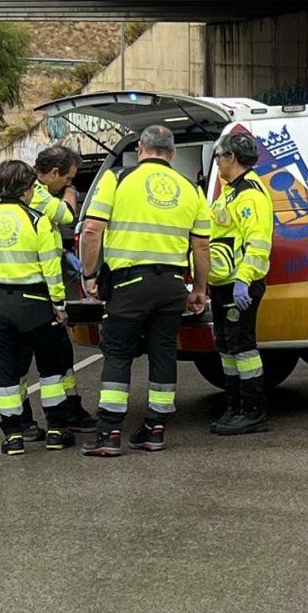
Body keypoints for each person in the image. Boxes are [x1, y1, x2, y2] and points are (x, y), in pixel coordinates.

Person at [78, 125, 211, 456]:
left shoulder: (118, 180)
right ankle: (154, 430)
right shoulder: (191, 189)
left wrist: (90, 274)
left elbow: (92, 230)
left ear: (140, 148)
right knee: (163, 352)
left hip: (130, 284)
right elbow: (202, 247)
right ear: (171, 153)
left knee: (119, 353)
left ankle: (108, 433)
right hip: (171, 286)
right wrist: (199, 289)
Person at [0, 160, 76, 455]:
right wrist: (59, 304)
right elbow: (51, 268)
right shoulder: (36, 221)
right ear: (27, 190)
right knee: (51, 371)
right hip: (35, 307)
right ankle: (56, 430)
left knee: (7, 376)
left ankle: (13, 436)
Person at [207, 130, 275, 436]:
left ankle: (252, 410)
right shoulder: (231, 192)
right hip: (224, 282)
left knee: (243, 348)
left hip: (240, 284)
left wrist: (243, 281)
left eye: (219, 156)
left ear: (231, 157)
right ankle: (234, 406)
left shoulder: (249, 194)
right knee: (227, 347)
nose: (218, 163)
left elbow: (257, 243)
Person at [28, 144, 96, 432]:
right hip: (39, 291)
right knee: (53, 359)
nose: (69, 184)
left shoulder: (29, 190)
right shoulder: (37, 191)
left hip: (31, 291)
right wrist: (72, 194)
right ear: (53, 173)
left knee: (58, 357)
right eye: (67, 178)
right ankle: (63, 418)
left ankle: (67, 410)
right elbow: (66, 215)